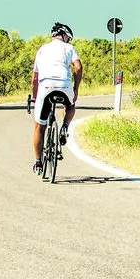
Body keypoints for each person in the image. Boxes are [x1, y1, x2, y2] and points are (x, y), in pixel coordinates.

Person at [31, 22, 83, 175]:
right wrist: (76, 88)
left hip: (45, 87)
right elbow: (78, 67)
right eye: (68, 38)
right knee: (71, 106)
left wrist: (35, 98)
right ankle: (65, 127)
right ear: (64, 35)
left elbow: (35, 78)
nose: (69, 40)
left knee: (39, 127)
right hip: (64, 86)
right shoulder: (70, 48)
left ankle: (38, 163)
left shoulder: (41, 50)